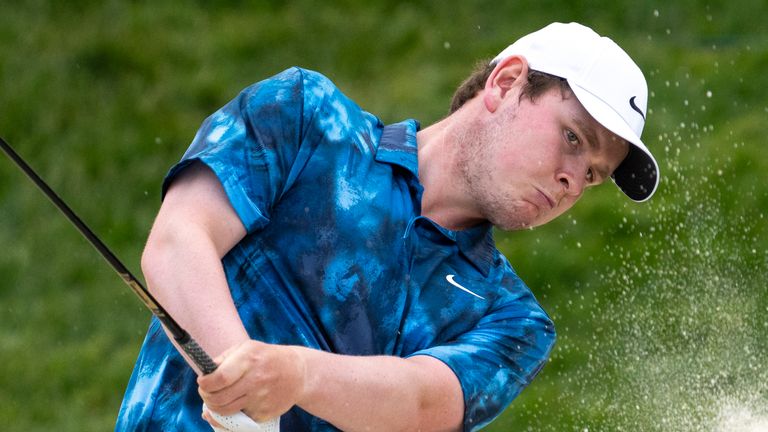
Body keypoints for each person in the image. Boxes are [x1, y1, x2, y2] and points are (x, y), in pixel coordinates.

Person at [116, 22, 659, 431]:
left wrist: (295, 376)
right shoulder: (308, 116)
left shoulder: (514, 321)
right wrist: (244, 386)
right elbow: (177, 241)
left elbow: (419, 402)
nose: (572, 180)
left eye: (592, 174)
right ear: (507, 82)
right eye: (571, 138)